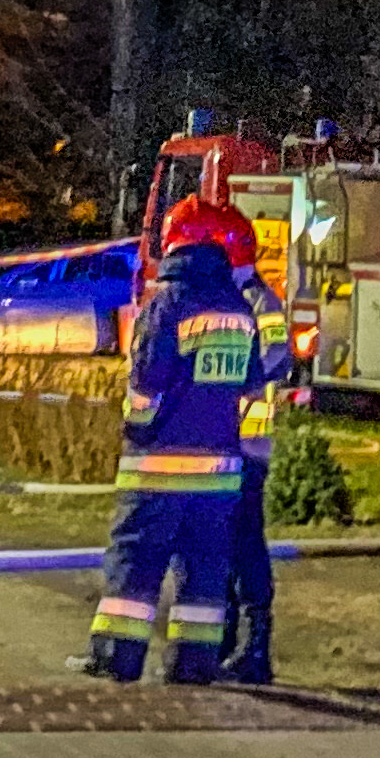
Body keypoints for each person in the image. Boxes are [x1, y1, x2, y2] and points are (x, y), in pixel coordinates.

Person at [86, 212, 269, 685]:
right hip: (220, 473)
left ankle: (117, 657)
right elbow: (251, 387)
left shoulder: (166, 305)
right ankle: (193, 665)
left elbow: (146, 386)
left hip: (158, 468)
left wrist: (136, 429)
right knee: (205, 572)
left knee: (136, 565)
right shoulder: (239, 309)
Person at [160, 199, 295, 686]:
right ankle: (221, 643)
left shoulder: (259, 300)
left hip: (246, 448)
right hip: (215, 447)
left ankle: (256, 648)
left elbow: (278, 357)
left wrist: (228, 380)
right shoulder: (224, 297)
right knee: (214, 548)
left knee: (245, 546)